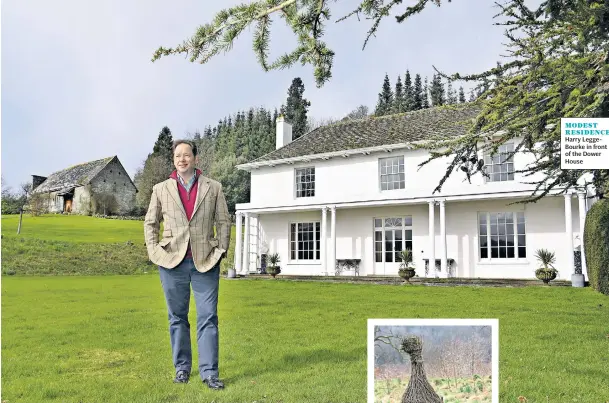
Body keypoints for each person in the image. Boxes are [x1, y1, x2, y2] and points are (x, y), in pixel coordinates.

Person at [144, 139, 231, 390]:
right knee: (177, 318)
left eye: (187, 155)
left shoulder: (213, 187)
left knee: (208, 317)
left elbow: (224, 221)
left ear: (195, 158)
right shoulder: (161, 189)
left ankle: (210, 373)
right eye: (178, 156)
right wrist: (153, 251)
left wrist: (221, 249)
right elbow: (150, 223)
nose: (182, 159)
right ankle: (182, 368)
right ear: (174, 160)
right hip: (172, 263)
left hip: (205, 262)